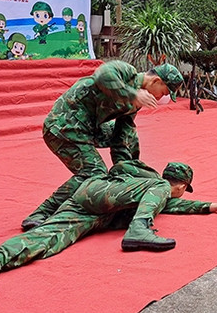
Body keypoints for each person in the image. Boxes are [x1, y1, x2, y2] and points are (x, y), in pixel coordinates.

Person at [0, 161, 217, 301]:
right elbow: (167, 199)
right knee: (158, 196)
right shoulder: (158, 185)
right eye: (184, 191)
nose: (181, 196)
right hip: (101, 198)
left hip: (88, 208)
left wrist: (211, 206)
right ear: (181, 185)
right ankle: (139, 230)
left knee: (45, 240)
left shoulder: (152, 191)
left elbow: (170, 206)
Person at [20, 60, 184, 231]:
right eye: (164, 92)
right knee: (93, 174)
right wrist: (132, 94)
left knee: (128, 134)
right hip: (63, 125)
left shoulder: (135, 102)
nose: (160, 98)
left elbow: (123, 136)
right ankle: (41, 213)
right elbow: (103, 75)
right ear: (155, 81)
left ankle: (125, 172)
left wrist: (124, 172)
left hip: (87, 128)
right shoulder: (127, 71)